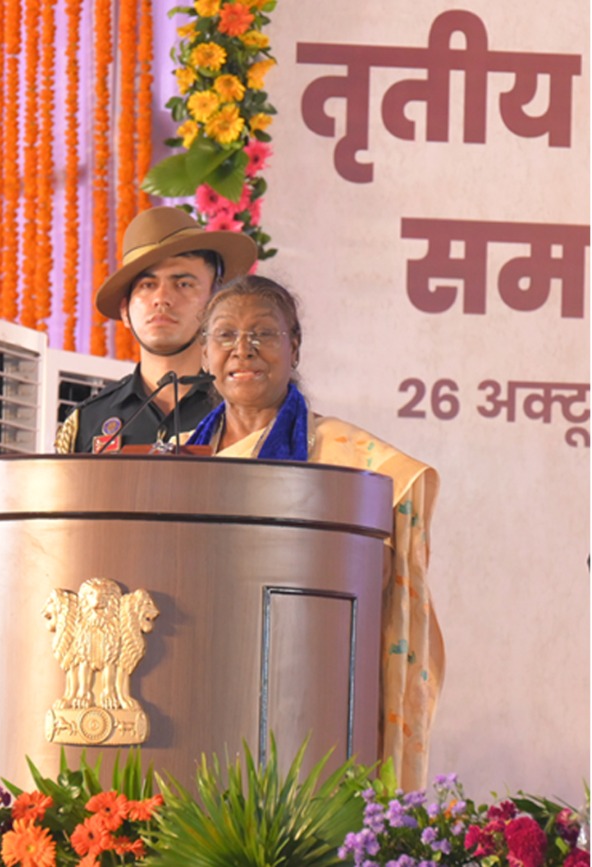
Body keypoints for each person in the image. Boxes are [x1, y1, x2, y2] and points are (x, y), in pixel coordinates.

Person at [180, 275, 442, 787]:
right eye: (226, 336)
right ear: (205, 353)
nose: (244, 350)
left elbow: (379, 564)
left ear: (293, 346)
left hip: (306, 679)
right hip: (199, 675)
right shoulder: (179, 459)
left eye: (263, 334)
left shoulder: (343, 453)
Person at [55, 205, 257, 453]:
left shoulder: (250, 408)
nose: (162, 298)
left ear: (216, 303)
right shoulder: (88, 422)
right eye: (147, 285)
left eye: (183, 284)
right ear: (124, 311)